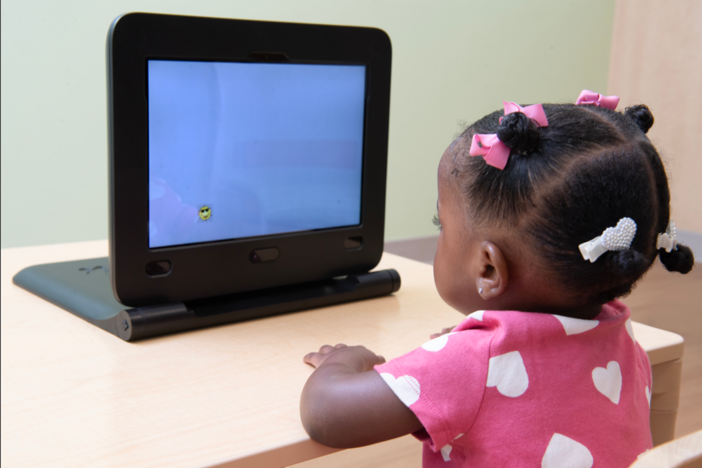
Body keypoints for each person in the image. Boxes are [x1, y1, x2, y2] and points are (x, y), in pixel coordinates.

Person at [300, 90, 695, 467]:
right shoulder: (621, 337)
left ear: (488, 269)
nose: (440, 231)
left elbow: (327, 414)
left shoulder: (476, 363)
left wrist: (342, 361)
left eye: (441, 223)